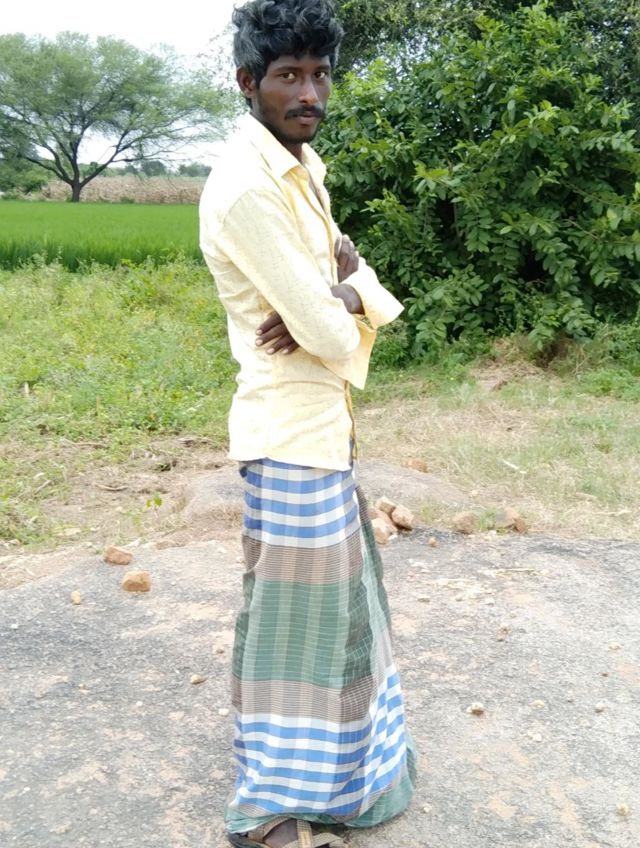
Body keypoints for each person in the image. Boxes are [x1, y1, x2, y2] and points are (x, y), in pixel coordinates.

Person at [199, 2, 416, 846]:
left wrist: (345, 289)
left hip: (325, 429)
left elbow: (356, 286)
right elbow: (326, 332)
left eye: (320, 74)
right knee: (289, 632)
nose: (309, 93)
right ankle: (262, 811)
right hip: (287, 437)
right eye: (288, 75)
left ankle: (337, 782)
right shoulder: (247, 187)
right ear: (248, 82)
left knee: (335, 620)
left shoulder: (300, 168)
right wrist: (340, 298)